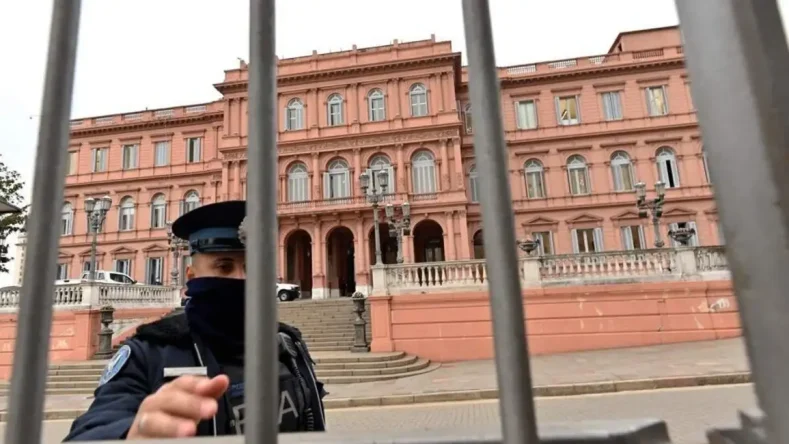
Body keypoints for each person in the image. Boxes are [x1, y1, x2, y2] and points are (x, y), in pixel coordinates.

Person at [63, 200, 326, 440]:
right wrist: (131, 433)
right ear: (191, 276)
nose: (241, 279)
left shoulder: (289, 347)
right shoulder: (147, 354)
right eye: (224, 267)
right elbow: (95, 427)